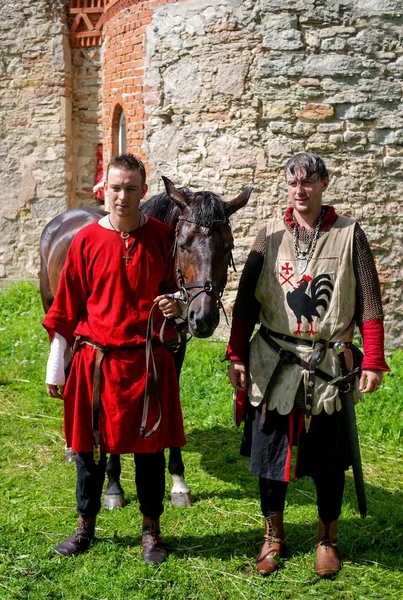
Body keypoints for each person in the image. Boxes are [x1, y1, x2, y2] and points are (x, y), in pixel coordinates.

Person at [226, 152, 389, 578]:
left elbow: (370, 304)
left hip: (329, 361)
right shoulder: (268, 235)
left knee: (330, 457)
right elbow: (245, 303)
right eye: (294, 183)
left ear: (324, 184)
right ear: (287, 186)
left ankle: (327, 538)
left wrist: (372, 359)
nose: (301, 191)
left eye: (309, 182)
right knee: (269, 453)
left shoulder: (350, 233)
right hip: (273, 361)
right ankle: (273, 535)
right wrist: (235, 355)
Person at [44, 153, 186, 564]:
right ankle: (85, 527)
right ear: (103, 190)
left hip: (146, 364)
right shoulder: (86, 241)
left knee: (149, 451)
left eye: (131, 188)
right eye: (115, 188)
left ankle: (151, 533)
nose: (122, 196)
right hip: (96, 363)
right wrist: (57, 365)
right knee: (87, 450)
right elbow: (66, 307)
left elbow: (179, 289)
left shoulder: (162, 238)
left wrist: (175, 306)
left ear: (143, 192)